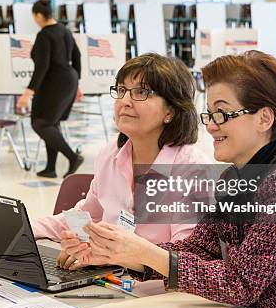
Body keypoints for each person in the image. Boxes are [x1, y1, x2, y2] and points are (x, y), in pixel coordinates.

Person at [67, 51, 276, 308]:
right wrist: (123, 254)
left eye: (222, 113)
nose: (210, 125)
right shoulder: (237, 176)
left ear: (264, 118)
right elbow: (201, 249)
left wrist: (144, 252)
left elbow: (239, 283)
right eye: (209, 113)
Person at [32, 53, 210, 269]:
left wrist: (110, 256)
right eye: (122, 90)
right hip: (111, 278)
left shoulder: (193, 169)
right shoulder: (111, 155)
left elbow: (187, 259)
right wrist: (21, 228)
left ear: (170, 111)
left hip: (162, 293)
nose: (125, 101)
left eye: (142, 92)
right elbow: (86, 218)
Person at [16, 0, 84, 179]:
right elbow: (77, 56)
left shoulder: (45, 35)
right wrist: (77, 82)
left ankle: (73, 157)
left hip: (54, 82)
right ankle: (50, 168)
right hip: (68, 79)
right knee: (51, 123)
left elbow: (42, 67)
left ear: (39, 15)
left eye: (34, 16)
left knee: (40, 123)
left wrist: (27, 93)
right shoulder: (65, 30)